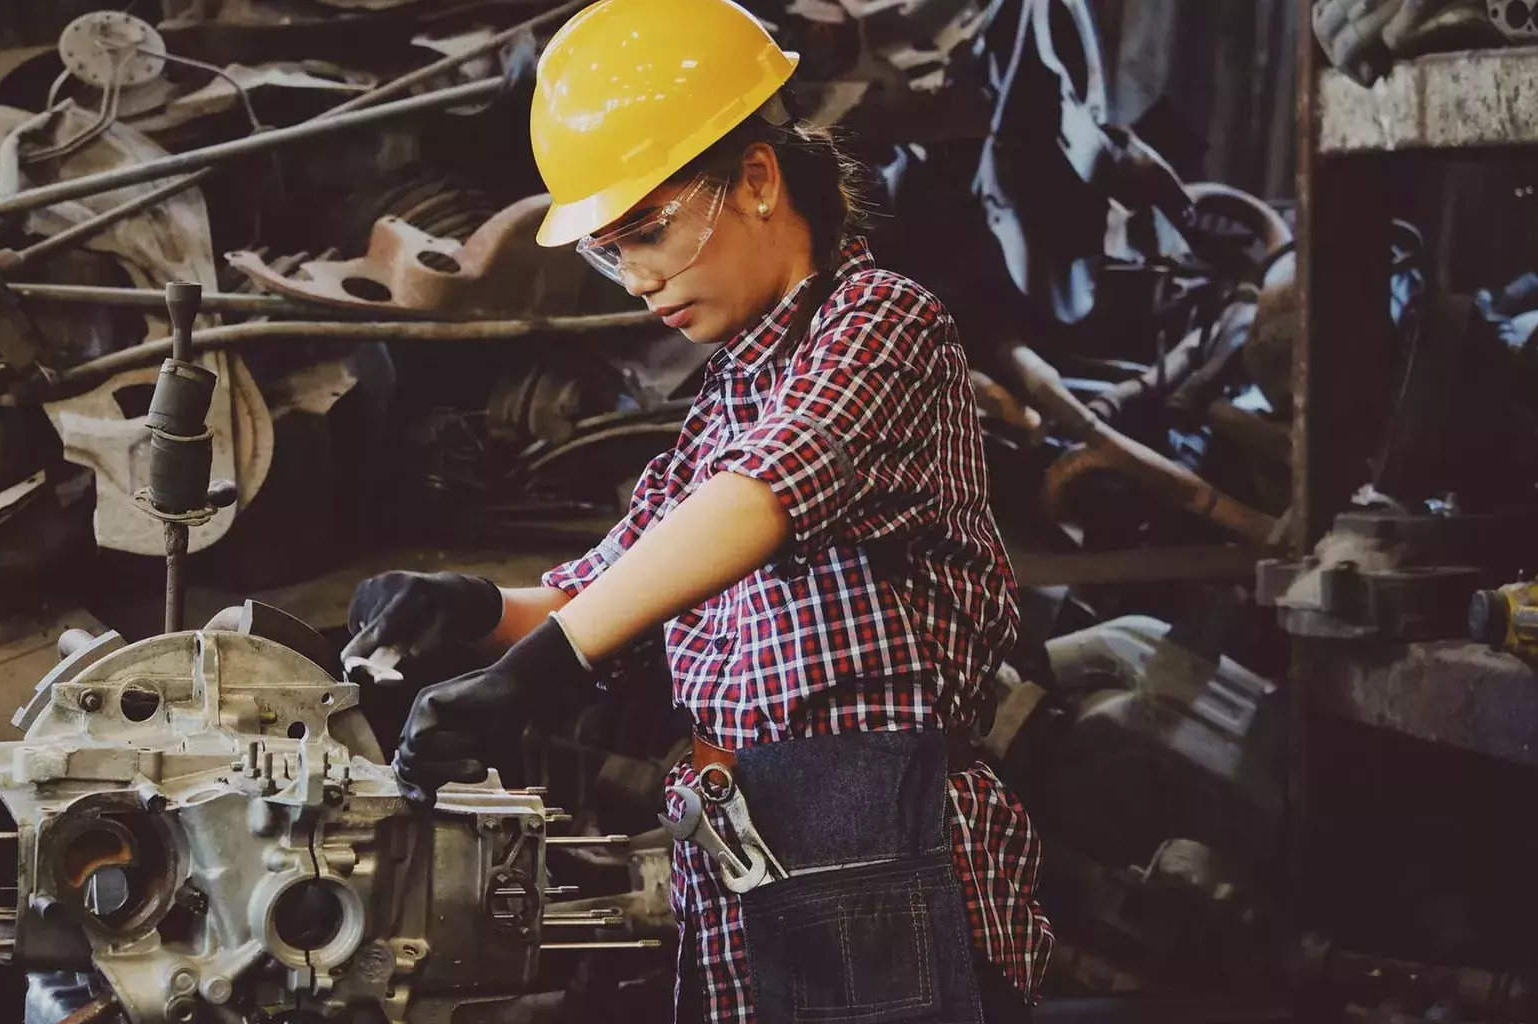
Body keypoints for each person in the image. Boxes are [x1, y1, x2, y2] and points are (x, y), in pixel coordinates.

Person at [342, 0, 1051, 1020]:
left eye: (649, 231)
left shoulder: (882, 324)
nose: (636, 280)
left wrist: (537, 671)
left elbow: (764, 495)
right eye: (608, 253)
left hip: (877, 853)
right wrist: (465, 606)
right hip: (751, 851)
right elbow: (603, 593)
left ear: (757, 178)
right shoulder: (725, 400)